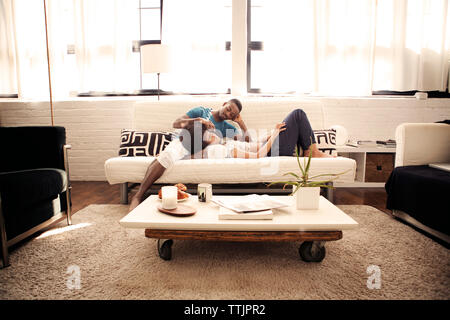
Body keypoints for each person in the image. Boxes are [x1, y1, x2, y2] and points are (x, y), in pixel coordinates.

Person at [128, 99, 248, 211]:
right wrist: (198, 120)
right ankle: (138, 196)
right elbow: (176, 123)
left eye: (232, 115)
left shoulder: (226, 127)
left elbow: (247, 141)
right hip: (184, 142)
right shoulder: (201, 111)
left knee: (219, 148)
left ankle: (179, 157)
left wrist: (241, 123)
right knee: (167, 157)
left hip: (200, 150)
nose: (228, 114)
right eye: (228, 109)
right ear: (224, 104)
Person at [183, 108, 333, 160]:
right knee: (298, 114)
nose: (214, 132)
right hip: (271, 152)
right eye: (209, 135)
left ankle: (310, 150)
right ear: (205, 142)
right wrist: (274, 136)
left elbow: (251, 144)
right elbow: (258, 155)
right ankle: (312, 152)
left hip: (269, 147)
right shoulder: (225, 149)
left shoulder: (223, 143)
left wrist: (271, 133)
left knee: (296, 116)